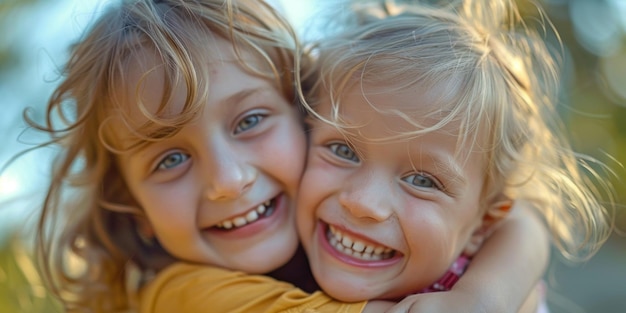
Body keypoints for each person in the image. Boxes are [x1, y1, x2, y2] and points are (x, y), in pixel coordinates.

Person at [24, 0, 556, 312]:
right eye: (168, 160)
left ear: (305, 113)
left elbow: (519, 217)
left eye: (250, 121)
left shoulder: (353, 236)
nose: (227, 181)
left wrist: (484, 295)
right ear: (134, 208)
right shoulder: (187, 294)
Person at [295, 0, 614, 311]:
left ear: (482, 226)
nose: (363, 202)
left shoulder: (498, 296)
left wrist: (481, 300)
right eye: (342, 151)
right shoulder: (266, 245)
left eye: (421, 180)